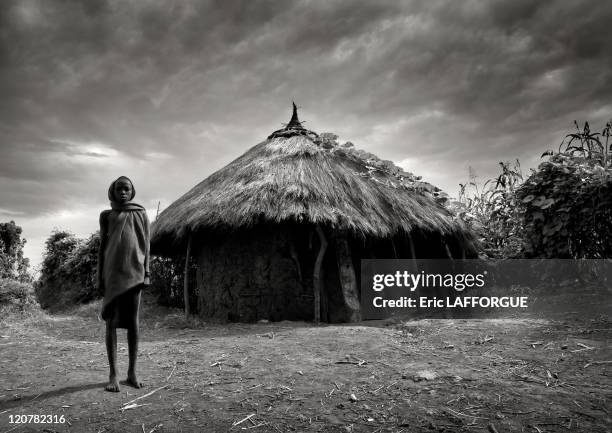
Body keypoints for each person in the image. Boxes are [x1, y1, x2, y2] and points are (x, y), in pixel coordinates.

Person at [98, 176, 150, 392]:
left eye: (126, 189)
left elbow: (147, 243)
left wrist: (147, 272)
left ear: (132, 191)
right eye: (119, 188)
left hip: (135, 272)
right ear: (112, 191)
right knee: (111, 322)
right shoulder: (106, 215)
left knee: (133, 323)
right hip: (111, 274)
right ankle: (113, 374)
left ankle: (132, 372)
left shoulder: (141, 213)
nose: (122, 192)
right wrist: (99, 276)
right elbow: (103, 246)